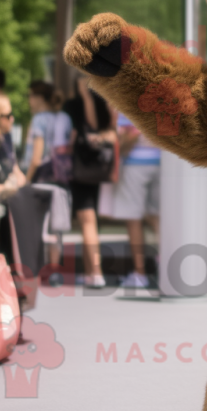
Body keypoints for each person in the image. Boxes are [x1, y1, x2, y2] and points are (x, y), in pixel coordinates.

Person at [63, 76, 116, 288]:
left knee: (88, 220)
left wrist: (86, 98)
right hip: (95, 169)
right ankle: (89, 271)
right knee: (90, 221)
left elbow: (92, 127)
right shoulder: (95, 103)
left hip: (83, 169)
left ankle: (96, 271)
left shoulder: (85, 104)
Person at [112, 113, 160, 288]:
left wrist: (118, 147)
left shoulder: (129, 97)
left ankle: (140, 273)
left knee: (133, 219)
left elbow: (131, 133)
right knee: (157, 217)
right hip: (161, 162)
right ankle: (166, 264)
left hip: (135, 163)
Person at [23, 81, 71, 183]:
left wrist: (26, 181)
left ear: (40, 98)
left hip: (40, 178)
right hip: (59, 175)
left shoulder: (38, 120)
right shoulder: (64, 117)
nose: (28, 99)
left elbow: (36, 158)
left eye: (30, 95)